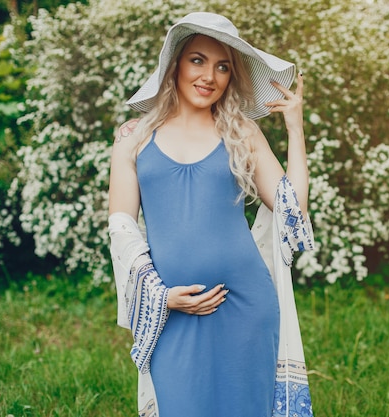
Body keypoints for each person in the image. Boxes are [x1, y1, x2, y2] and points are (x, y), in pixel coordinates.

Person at [107, 12, 315, 417]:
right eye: (198, 60)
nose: (210, 76)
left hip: (246, 307)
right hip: (170, 310)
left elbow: (293, 208)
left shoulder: (241, 132)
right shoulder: (133, 137)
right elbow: (121, 227)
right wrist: (161, 297)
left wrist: (294, 128)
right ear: (175, 66)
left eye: (222, 66)